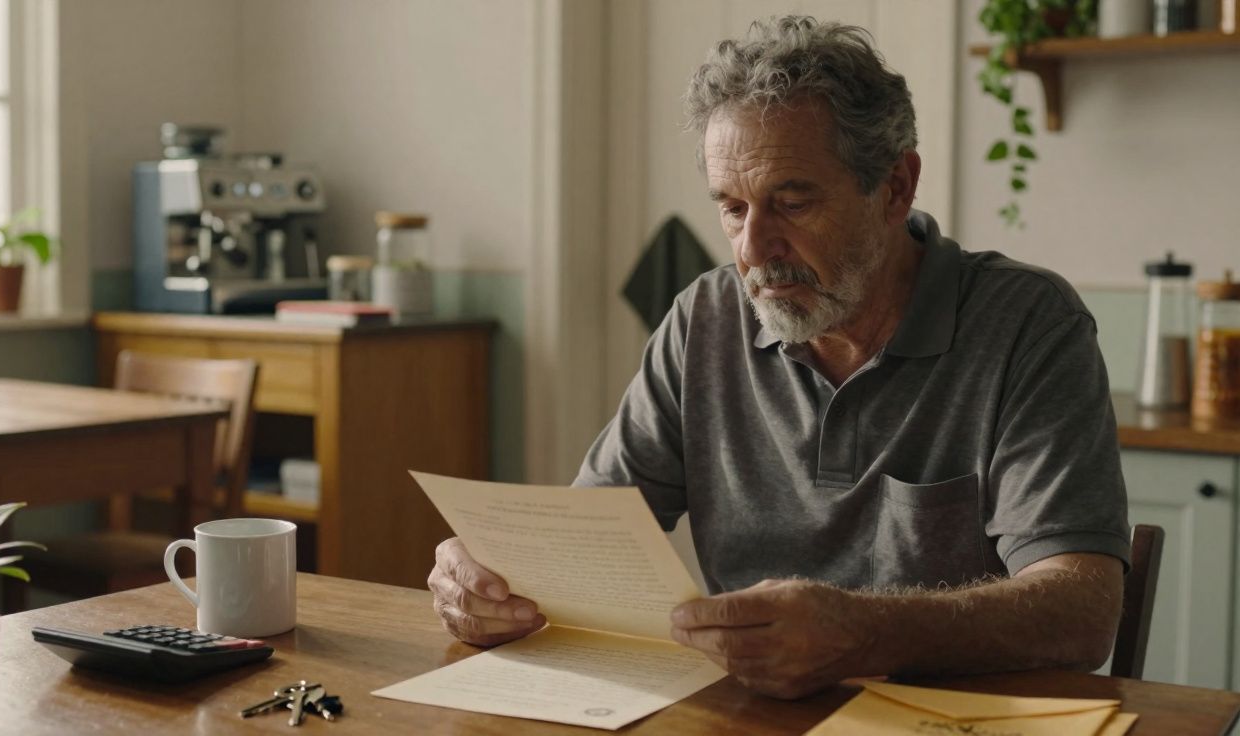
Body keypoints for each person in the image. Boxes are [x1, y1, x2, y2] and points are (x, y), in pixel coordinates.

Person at [428, 15, 1130, 699]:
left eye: (791, 203)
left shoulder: (1029, 325)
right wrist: (493, 580)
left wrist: (868, 632)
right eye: (732, 208)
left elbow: (1082, 608)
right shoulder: (703, 320)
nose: (752, 250)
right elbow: (584, 544)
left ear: (895, 187)